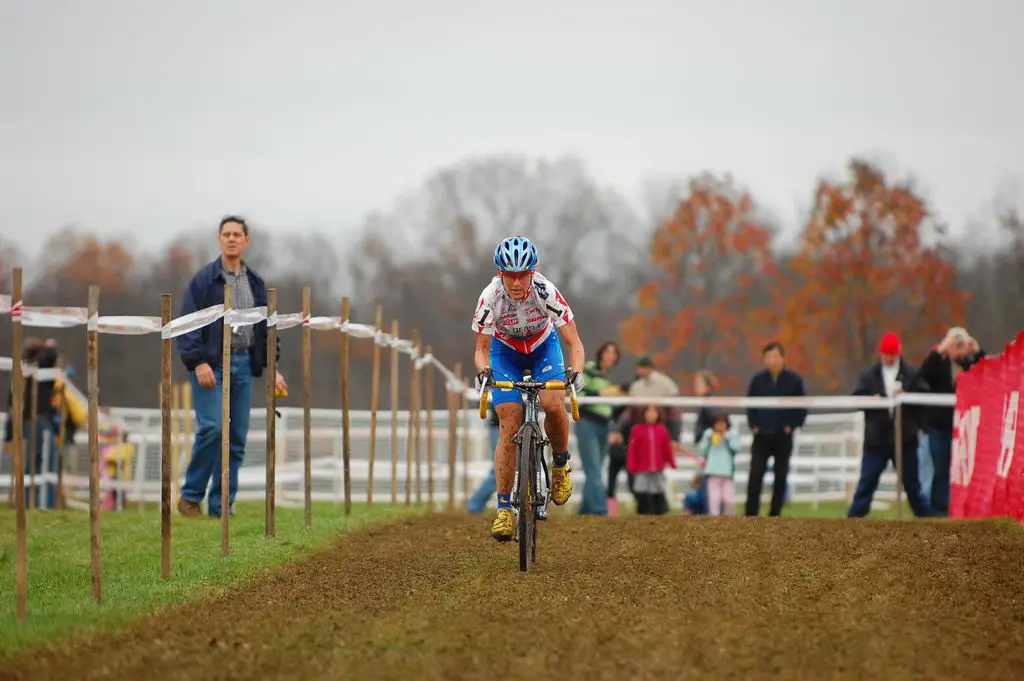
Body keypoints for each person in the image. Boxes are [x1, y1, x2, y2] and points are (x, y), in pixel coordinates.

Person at [472, 235, 586, 542]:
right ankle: (504, 509)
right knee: (509, 419)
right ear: (501, 274)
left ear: (532, 272)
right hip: (505, 351)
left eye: (523, 274)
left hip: (542, 347)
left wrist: (576, 373)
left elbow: (574, 341)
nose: (517, 282)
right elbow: (481, 349)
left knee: (552, 404)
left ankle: (560, 464)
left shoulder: (545, 291)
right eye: (511, 275)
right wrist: (483, 371)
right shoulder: (490, 298)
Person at [175, 216, 288, 518]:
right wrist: (198, 362)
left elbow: (266, 330)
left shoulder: (256, 284)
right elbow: (186, 325)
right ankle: (190, 496)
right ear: (219, 239)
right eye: (226, 234)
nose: (231, 239)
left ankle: (221, 506)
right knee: (212, 429)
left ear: (246, 241)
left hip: (243, 364)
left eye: (237, 234)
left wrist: (273, 367)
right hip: (211, 365)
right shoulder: (203, 281)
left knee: (236, 438)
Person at [848, 332, 931, 518]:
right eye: (886, 355)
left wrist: (906, 395)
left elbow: (924, 396)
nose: (889, 358)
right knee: (866, 483)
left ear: (898, 353)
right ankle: (852, 521)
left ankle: (927, 520)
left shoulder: (910, 374)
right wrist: (871, 400)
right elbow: (856, 398)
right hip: (876, 440)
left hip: (905, 439)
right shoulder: (869, 375)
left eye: (892, 354)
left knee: (912, 485)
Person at [916, 326, 984, 516]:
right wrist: (940, 351)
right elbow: (920, 379)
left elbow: (988, 371)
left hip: (966, 425)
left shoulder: (970, 363)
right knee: (940, 465)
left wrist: (977, 351)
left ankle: (962, 506)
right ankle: (938, 509)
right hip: (940, 425)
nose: (959, 350)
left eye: (962, 345)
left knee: (964, 467)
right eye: (956, 345)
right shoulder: (937, 362)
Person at [744, 341, 807, 516]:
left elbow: (802, 407)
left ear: (782, 358)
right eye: (767, 357)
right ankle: (750, 514)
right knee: (755, 475)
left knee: (780, 476)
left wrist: (791, 426)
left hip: (782, 436)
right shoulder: (757, 381)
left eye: (774, 356)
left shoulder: (794, 381)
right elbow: (750, 405)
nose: (771, 360)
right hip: (761, 435)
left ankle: (775, 514)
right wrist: (754, 425)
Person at [576, 340, 623, 516]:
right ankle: (601, 509)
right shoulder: (589, 368)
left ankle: (586, 510)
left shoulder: (608, 377)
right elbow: (580, 392)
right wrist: (603, 394)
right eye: (608, 352)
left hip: (604, 424)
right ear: (601, 353)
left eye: (614, 353)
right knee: (594, 468)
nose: (610, 356)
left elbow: (611, 407)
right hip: (588, 422)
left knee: (595, 469)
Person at [625, 404, 677, 514]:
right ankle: (644, 510)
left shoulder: (662, 430)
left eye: (654, 412)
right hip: (642, 468)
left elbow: (667, 448)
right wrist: (631, 465)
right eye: (648, 412)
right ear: (643, 414)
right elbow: (632, 449)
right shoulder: (636, 429)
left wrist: (671, 462)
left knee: (658, 488)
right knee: (642, 489)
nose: (651, 415)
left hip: (657, 467)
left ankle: (659, 510)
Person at [698, 411, 740, 516]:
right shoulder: (709, 434)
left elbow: (736, 448)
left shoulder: (731, 435)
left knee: (728, 499)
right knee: (714, 499)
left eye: (722, 423)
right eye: (718, 423)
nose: (720, 426)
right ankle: (714, 519)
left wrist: (726, 438)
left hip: (726, 472)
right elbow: (702, 450)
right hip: (713, 471)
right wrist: (708, 440)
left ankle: (729, 519)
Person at [466, 403, 499, 514]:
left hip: (522, 425)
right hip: (499, 426)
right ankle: (475, 505)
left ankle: (475, 504)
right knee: (499, 471)